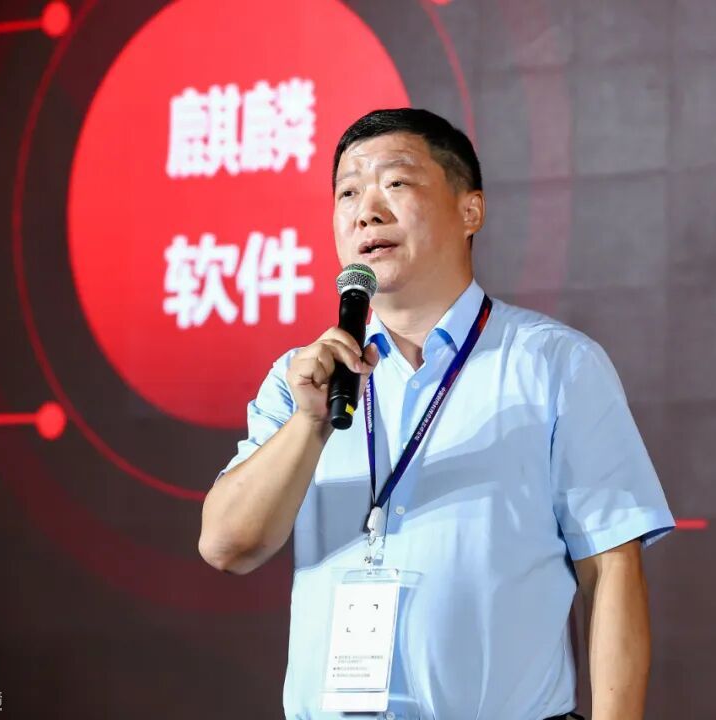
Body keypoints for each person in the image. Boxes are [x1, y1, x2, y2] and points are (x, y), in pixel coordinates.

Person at [198, 108, 675, 720]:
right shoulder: (303, 379)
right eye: (348, 192)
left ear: (470, 210)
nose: (366, 211)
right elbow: (226, 546)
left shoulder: (555, 365)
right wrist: (309, 423)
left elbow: (610, 569)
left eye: (395, 182)